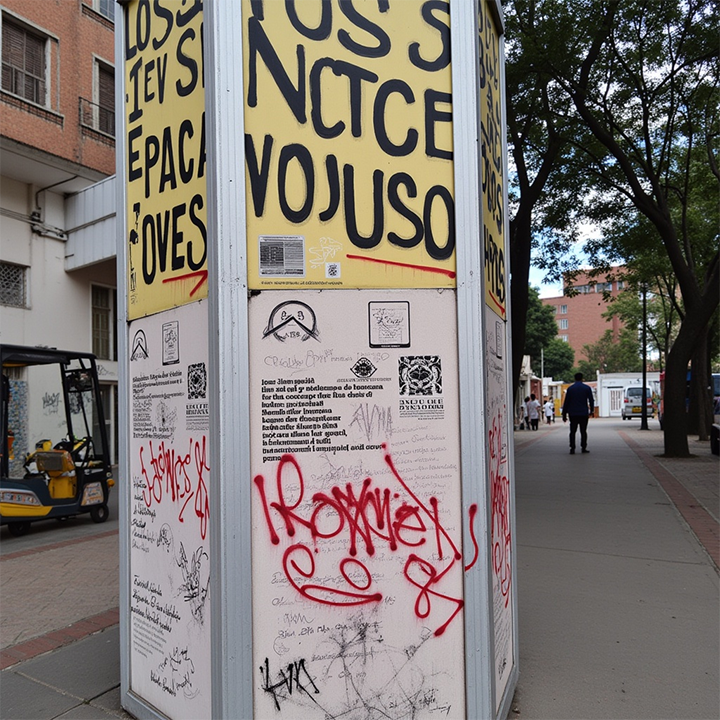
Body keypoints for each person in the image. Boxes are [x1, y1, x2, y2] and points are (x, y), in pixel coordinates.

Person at [562, 372, 595, 454]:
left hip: (573, 413)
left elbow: (566, 402)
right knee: (583, 431)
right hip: (583, 413)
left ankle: (572, 448)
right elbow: (591, 400)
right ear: (582, 378)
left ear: (575, 378)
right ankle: (583, 447)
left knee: (572, 431)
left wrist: (564, 414)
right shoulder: (587, 388)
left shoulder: (570, 389)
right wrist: (592, 410)